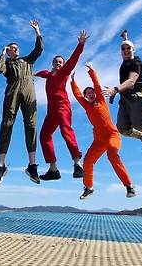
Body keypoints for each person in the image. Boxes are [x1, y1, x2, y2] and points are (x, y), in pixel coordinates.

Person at [71, 63, 135, 200]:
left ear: (95, 93)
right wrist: (72, 81)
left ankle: (129, 185)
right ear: (86, 97)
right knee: (87, 161)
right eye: (87, 93)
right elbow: (77, 95)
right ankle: (88, 188)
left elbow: (96, 83)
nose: (90, 94)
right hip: (99, 140)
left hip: (112, 135)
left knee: (112, 154)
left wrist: (91, 70)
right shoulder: (87, 106)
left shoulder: (101, 101)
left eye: (91, 92)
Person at [0, 20, 43, 186]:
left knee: (32, 125)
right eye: (11, 48)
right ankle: (0, 167)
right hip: (12, 92)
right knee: (6, 124)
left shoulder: (27, 61)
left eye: (16, 47)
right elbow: (0, 70)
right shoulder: (7, 63)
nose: (15, 49)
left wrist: (37, 31)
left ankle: (32, 165)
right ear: (8, 52)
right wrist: (2, 54)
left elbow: (39, 49)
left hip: (29, 91)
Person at [35, 31, 88, 181]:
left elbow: (73, 59)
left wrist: (81, 44)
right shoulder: (48, 73)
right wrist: (29, 75)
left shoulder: (64, 72)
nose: (58, 63)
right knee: (44, 135)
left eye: (60, 62)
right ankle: (53, 169)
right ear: (52, 63)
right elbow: (41, 73)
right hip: (51, 111)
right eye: (56, 62)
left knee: (66, 131)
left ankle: (78, 164)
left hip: (62, 106)